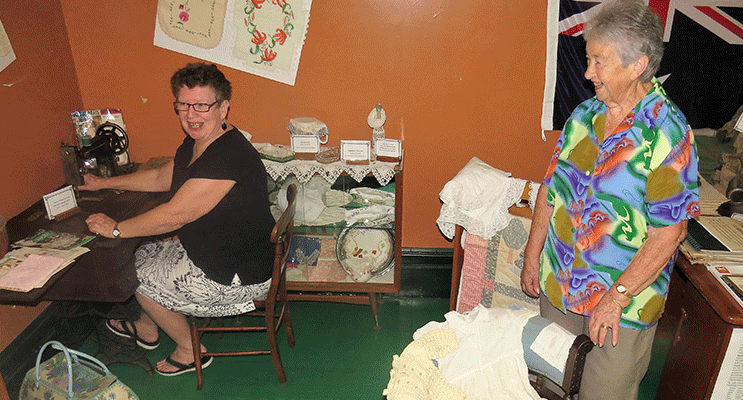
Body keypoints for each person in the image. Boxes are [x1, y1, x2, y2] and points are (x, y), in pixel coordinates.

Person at [520, 1, 699, 399]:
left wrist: (616, 298)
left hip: (621, 307)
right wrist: (533, 255)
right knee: (549, 386)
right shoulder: (584, 115)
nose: (588, 73)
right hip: (559, 288)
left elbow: (669, 234)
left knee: (604, 393)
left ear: (638, 66)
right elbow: (551, 188)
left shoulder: (668, 133)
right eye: (588, 60)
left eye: (599, 62)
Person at [81, 62, 275, 376]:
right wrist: (104, 183)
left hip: (236, 275)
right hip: (223, 252)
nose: (191, 115)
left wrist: (115, 230)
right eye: (183, 105)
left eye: (202, 106)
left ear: (223, 108)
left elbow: (175, 215)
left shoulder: (228, 156)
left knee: (133, 277)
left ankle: (189, 349)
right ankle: (149, 327)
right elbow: (161, 177)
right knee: (140, 256)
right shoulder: (201, 142)